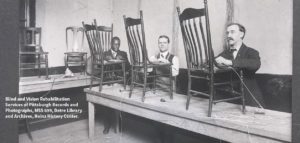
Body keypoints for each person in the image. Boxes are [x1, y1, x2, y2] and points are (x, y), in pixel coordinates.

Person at [215, 23, 265, 107]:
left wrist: (230, 62)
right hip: (229, 101)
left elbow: (255, 64)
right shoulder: (224, 54)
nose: (228, 35)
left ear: (241, 34)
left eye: (232, 32)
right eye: (227, 33)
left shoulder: (252, 52)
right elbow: (214, 61)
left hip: (249, 99)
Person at [149, 35, 179, 143]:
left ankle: (169, 140)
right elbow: (149, 71)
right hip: (157, 89)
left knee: (169, 118)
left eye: (164, 42)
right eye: (160, 42)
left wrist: (167, 64)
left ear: (168, 44)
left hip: (169, 90)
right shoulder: (155, 57)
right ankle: (158, 139)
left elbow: (175, 73)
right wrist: (150, 62)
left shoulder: (174, 58)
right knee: (156, 117)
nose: (162, 44)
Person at [102, 36, 130, 134]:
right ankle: (107, 125)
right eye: (115, 44)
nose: (116, 46)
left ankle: (119, 125)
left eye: (118, 44)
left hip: (119, 81)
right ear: (111, 44)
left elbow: (128, 67)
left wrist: (123, 63)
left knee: (119, 103)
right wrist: (105, 62)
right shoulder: (105, 54)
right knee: (107, 105)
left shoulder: (123, 54)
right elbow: (100, 67)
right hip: (108, 82)